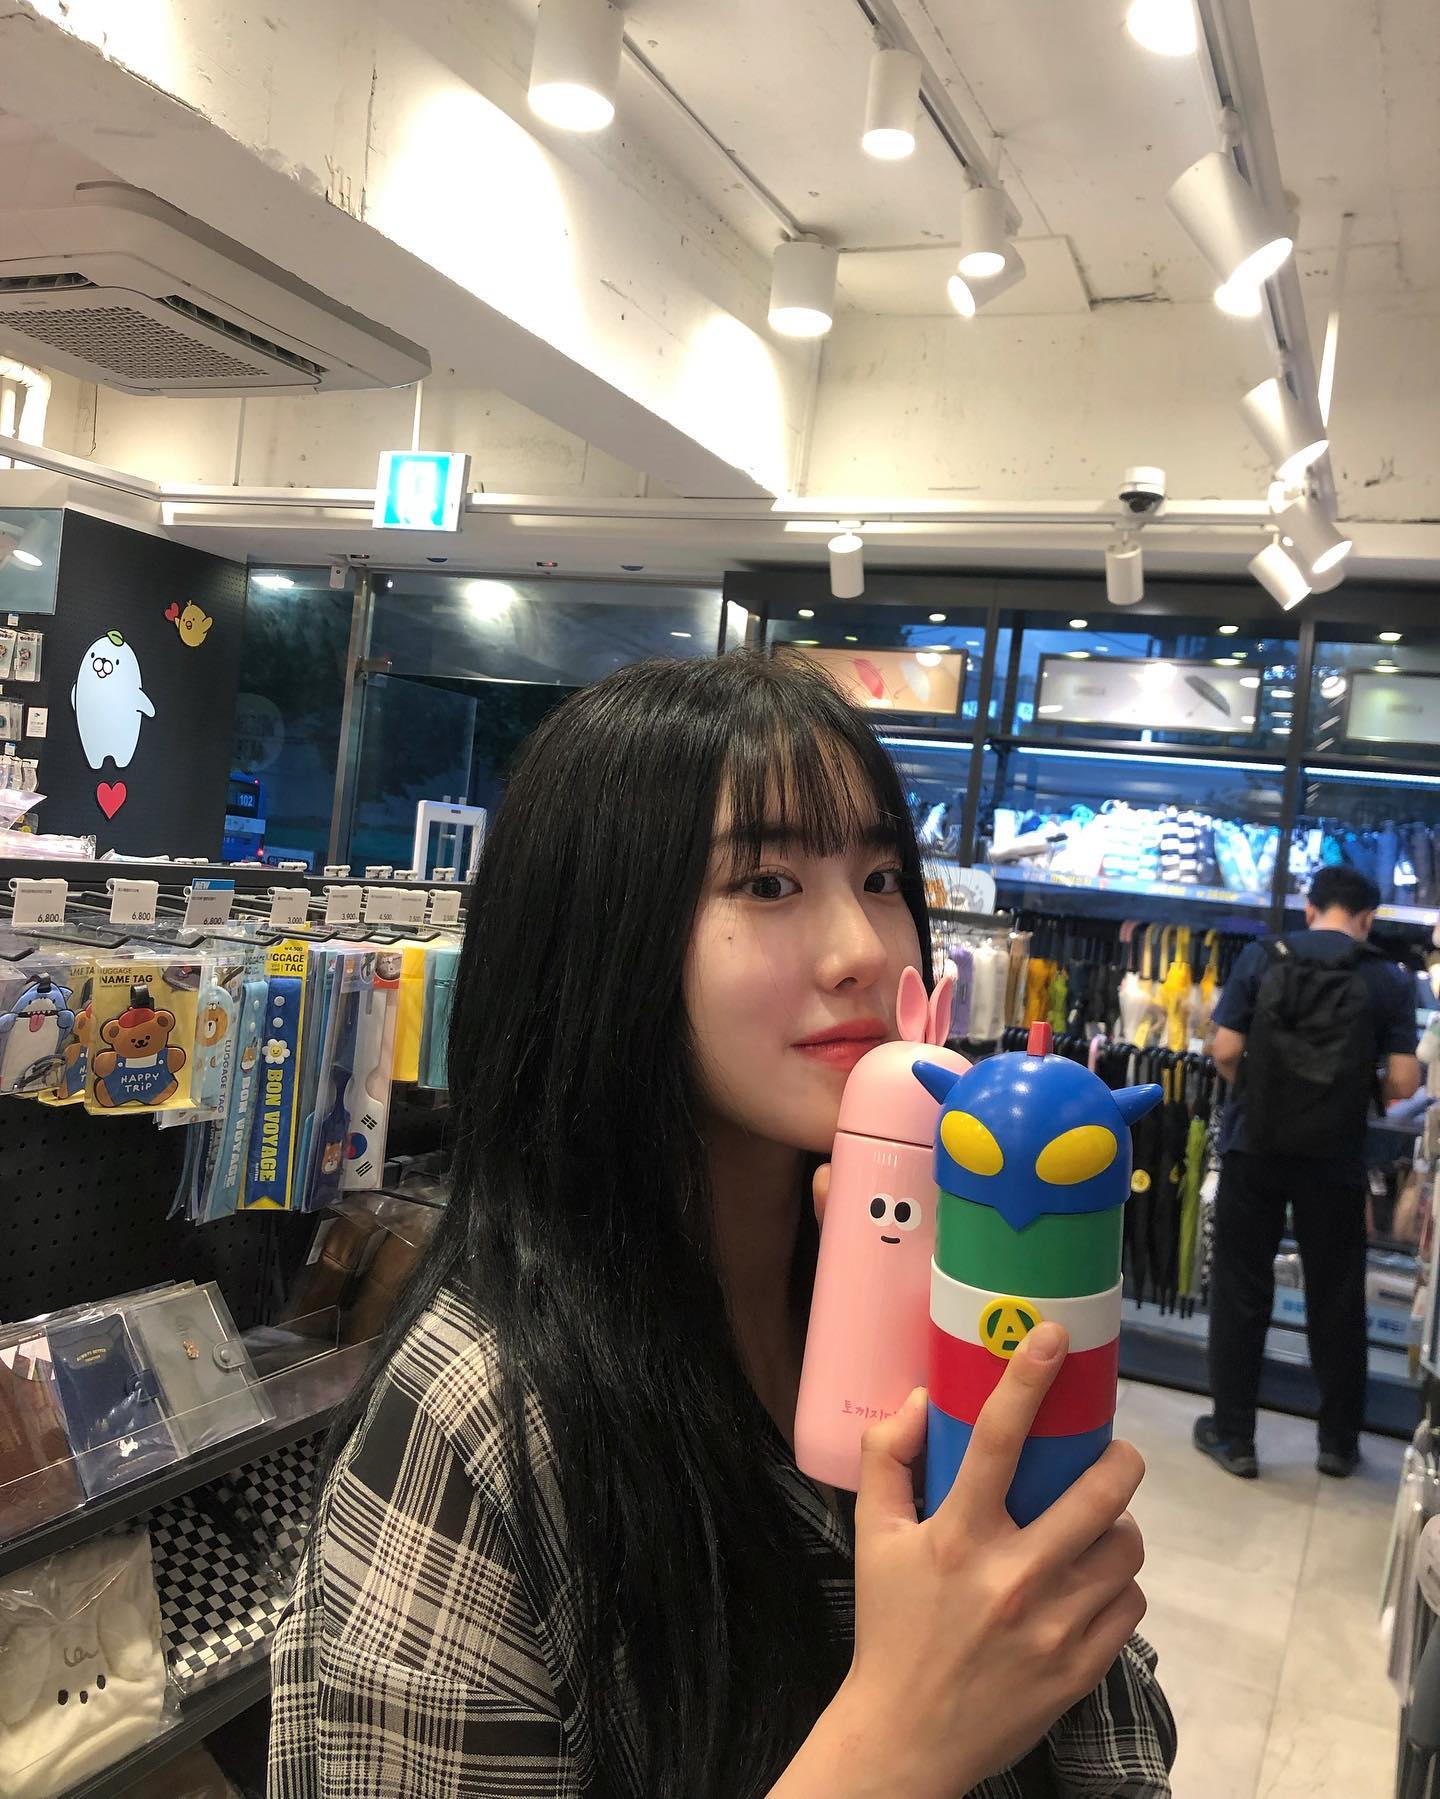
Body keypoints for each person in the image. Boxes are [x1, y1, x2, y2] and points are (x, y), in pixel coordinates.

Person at [268, 651, 1175, 1799]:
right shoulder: (481, 1421)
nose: (867, 949)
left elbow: (1102, 1719)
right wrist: (900, 1737)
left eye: (882, 876)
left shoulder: (924, 1296)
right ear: (598, 933)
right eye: (769, 882)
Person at [1196, 864, 1421, 1482]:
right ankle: (1338, 1444)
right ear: (1367, 918)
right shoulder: (1387, 977)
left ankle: (1235, 1437)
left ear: (1310, 907)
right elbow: (1404, 1082)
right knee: (1337, 1296)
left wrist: (1260, 1094)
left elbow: (1225, 1050)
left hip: (1254, 1147)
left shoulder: (1263, 958)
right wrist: (1351, 1097)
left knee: (1241, 1291)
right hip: (1337, 1158)